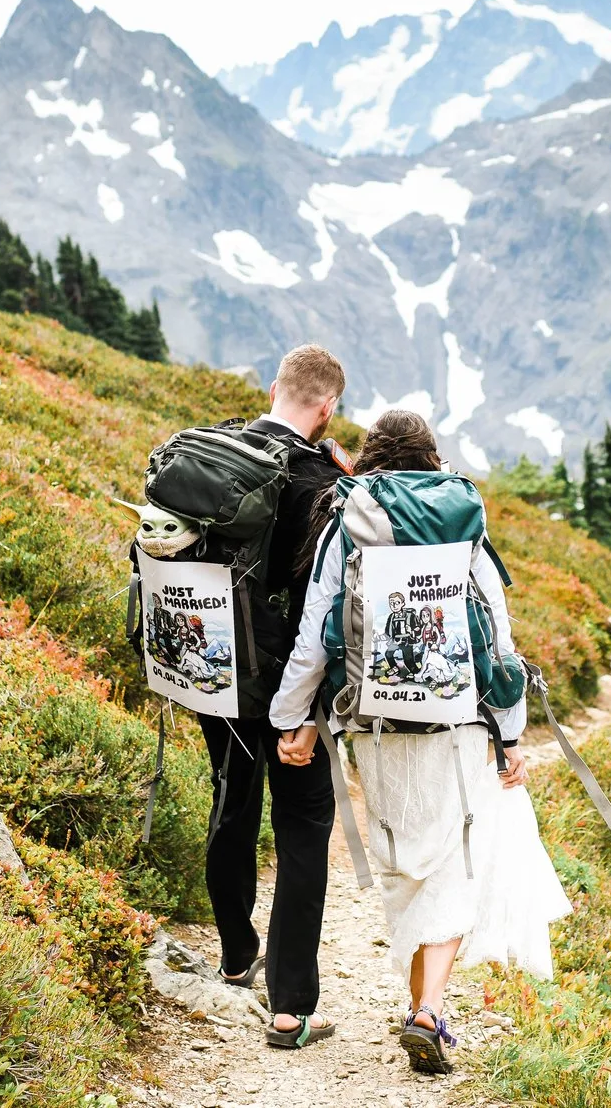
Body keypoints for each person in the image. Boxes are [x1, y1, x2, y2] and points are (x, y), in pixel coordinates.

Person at [270, 409, 572, 1075]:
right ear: (432, 458)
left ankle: (424, 1008)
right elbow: (497, 628)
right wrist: (512, 730)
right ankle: (429, 1010)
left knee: (406, 865)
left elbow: (316, 628)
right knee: (454, 865)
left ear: (373, 455)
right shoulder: (462, 515)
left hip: (373, 722)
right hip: (456, 719)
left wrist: (290, 717)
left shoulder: (347, 514)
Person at [201, 343, 350, 1048]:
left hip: (214, 668)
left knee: (231, 797)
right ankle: (290, 1006)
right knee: (301, 826)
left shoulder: (218, 447)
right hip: (287, 684)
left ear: (272, 389)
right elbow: (327, 607)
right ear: (327, 410)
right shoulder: (319, 479)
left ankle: (236, 951)